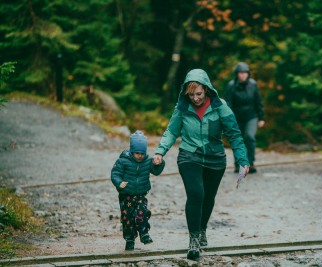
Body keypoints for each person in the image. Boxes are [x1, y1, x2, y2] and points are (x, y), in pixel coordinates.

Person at [152, 69, 249, 260]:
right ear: (186, 93)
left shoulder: (221, 106)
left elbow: (235, 134)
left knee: (209, 197)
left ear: (206, 89)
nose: (195, 98)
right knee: (196, 194)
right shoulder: (182, 108)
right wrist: (159, 152)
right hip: (190, 155)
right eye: (191, 94)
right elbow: (171, 132)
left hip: (215, 158)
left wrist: (243, 160)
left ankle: (202, 228)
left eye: (199, 94)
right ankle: (194, 239)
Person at [111, 130, 165, 250]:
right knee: (127, 218)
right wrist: (119, 183)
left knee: (141, 213)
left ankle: (144, 233)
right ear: (132, 151)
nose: (140, 156)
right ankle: (130, 239)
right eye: (137, 153)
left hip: (140, 194)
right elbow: (115, 173)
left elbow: (156, 171)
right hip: (126, 196)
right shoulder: (123, 160)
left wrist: (159, 163)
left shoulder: (147, 161)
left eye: (142, 153)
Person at [225, 62, 265, 173]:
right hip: (236, 117)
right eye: (240, 73)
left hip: (251, 117)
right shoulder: (231, 86)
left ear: (248, 74)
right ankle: (238, 164)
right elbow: (228, 103)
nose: (243, 75)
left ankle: (250, 163)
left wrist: (261, 118)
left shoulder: (253, 85)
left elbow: (258, 101)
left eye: (245, 73)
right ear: (237, 74)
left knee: (249, 137)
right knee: (238, 140)